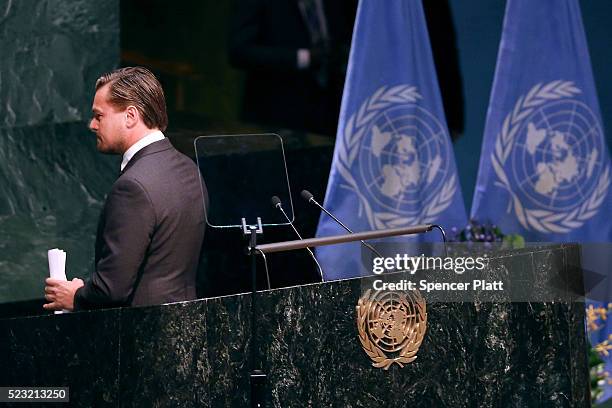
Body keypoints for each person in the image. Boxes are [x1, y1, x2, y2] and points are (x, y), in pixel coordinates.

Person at [43, 66, 207, 311]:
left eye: (99, 116)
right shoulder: (188, 168)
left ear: (130, 116)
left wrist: (76, 296)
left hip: (139, 334)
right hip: (186, 327)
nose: (92, 125)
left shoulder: (132, 187)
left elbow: (112, 288)